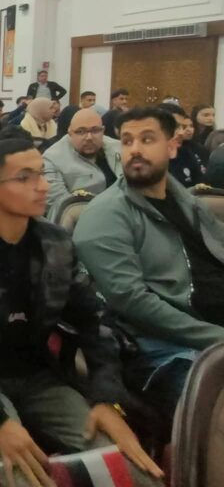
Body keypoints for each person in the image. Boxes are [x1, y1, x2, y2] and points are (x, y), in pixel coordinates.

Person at [0, 139, 163, 487]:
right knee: (27, 476)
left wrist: (107, 397)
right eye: (25, 177)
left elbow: (95, 317)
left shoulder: (56, 242)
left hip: (37, 375)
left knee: (128, 468)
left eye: (42, 174)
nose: (43, 186)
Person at [75, 107, 224, 418]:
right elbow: (132, 301)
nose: (135, 150)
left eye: (147, 139)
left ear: (172, 146)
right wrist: (216, 338)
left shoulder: (184, 200)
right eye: (127, 141)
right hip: (163, 347)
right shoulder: (105, 216)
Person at [41, 107, 122, 219]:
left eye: (95, 130)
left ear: (103, 130)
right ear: (70, 133)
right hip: (81, 220)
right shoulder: (52, 158)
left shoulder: (118, 147)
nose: (89, 137)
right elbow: (58, 205)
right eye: (80, 132)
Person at [162, 103, 207, 188]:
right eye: (175, 126)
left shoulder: (186, 154)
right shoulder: (148, 159)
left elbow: (200, 186)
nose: (181, 133)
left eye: (181, 127)